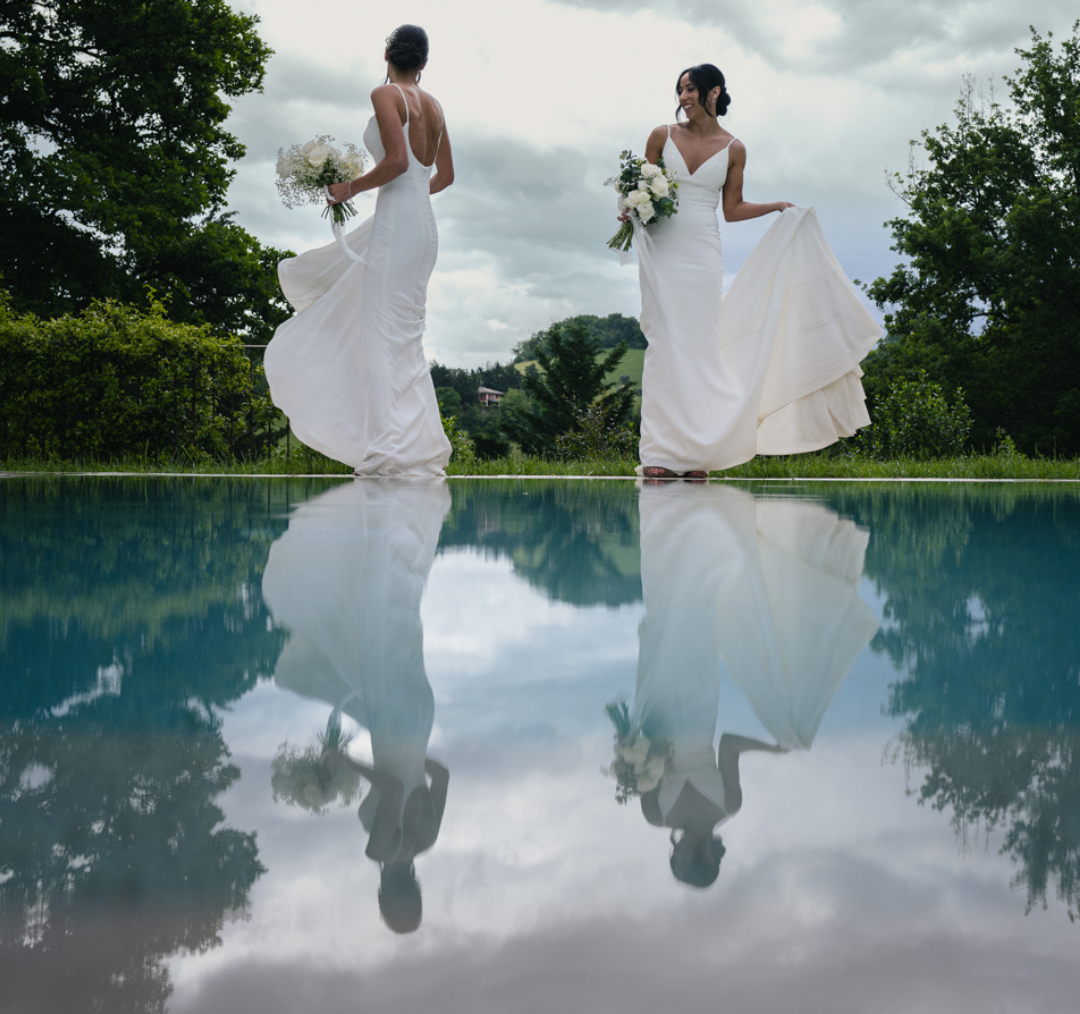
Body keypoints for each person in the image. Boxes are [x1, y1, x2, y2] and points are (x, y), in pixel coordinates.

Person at [624, 65, 881, 478]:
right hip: (663, 249)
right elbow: (636, 190)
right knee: (663, 344)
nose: (683, 96)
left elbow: (732, 209)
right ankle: (658, 454)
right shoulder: (661, 136)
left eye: (690, 89)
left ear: (714, 92)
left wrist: (777, 207)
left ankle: (698, 454)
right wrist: (630, 208)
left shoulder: (734, 149)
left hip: (702, 253)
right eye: (679, 90)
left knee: (700, 348)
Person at [264, 25, 454, 476]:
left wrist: (347, 189)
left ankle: (391, 450)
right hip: (423, 227)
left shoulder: (385, 94)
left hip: (397, 225)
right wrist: (409, 199)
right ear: (424, 63)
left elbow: (396, 162)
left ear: (387, 54)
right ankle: (416, 448)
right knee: (405, 337)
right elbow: (443, 177)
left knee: (381, 336)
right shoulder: (436, 106)